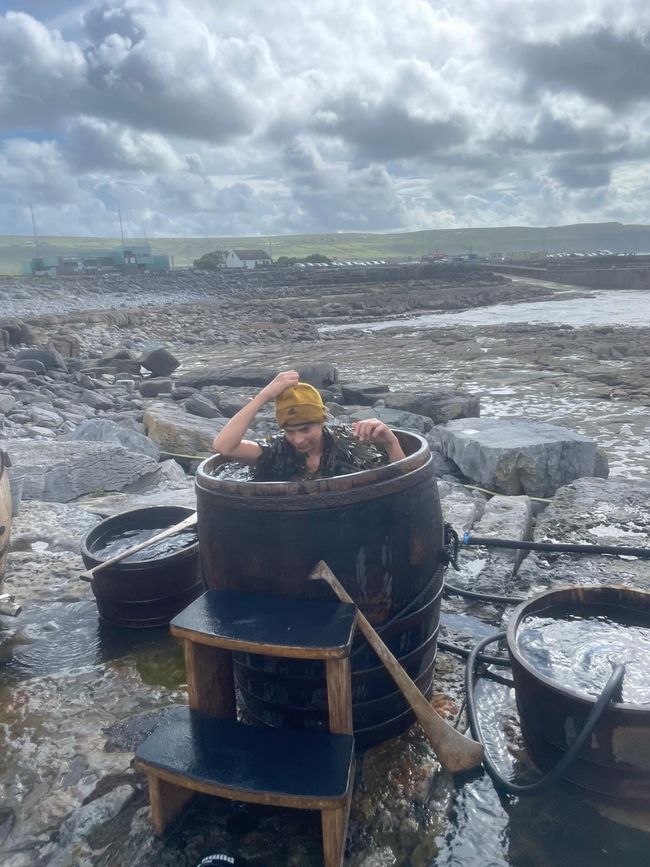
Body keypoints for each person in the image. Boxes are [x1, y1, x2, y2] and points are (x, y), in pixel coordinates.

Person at [212, 370, 405, 481]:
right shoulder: (277, 451)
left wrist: (391, 443)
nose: (298, 440)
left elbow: (400, 482)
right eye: (289, 431)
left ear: (322, 421)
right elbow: (224, 447)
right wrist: (264, 396)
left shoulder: (350, 445)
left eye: (306, 429)